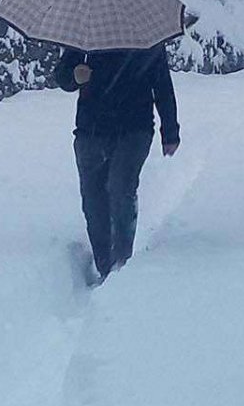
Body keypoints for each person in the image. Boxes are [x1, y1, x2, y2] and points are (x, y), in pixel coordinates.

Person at [55, 45, 180, 284]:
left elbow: (162, 85)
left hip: (134, 129)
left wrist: (170, 131)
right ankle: (104, 263)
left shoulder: (145, 37)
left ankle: (122, 263)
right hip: (91, 130)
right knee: (93, 197)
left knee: (121, 187)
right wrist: (74, 76)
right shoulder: (86, 34)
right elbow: (62, 76)